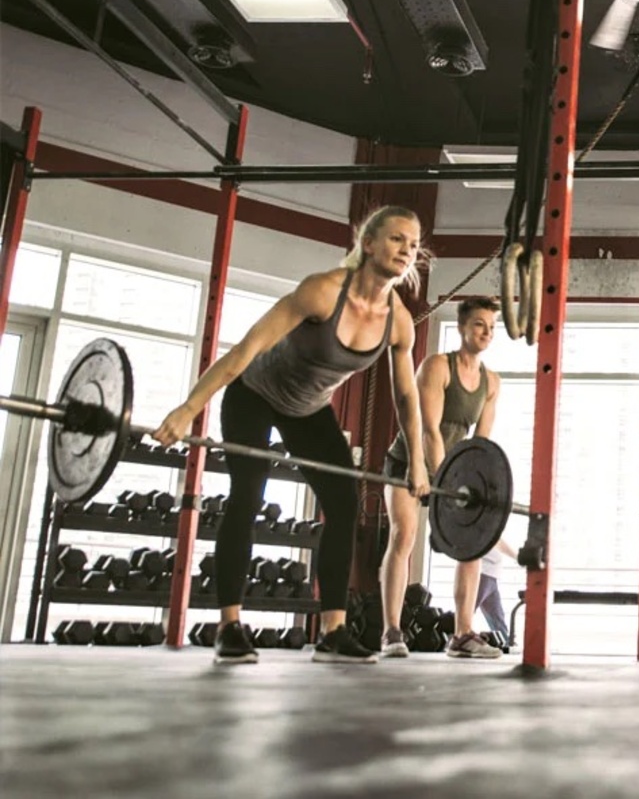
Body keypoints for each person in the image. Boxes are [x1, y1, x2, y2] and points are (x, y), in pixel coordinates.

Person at [153, 204, 431, 665]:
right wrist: (188, 409)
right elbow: (247, 349)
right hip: (254, 394)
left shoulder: (398, 321)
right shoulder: (322, 292)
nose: (408, 250)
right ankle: (230, 626)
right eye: (398, 238)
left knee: (343, 501)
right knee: (249, 491)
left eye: (415, 244)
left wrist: (418, 462)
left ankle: (333, 633)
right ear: (368, 244)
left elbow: (406, 397)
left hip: (308, 410)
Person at [378, 297, 503, 659]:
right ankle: (391, 632)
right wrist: (437, 482)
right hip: (409, 460)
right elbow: (429, 431)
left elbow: (481, 444)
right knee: (404, 537)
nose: (486, 332)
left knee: (473, 545)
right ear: (463, 327)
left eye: (492, 327)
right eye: (479, 324)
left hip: (454, 471)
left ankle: (463, 634)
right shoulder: (436, 367)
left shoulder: (491, 382)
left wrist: (473, 488)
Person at [475, 536, 519, 651]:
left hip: (491, 577)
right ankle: (453, 638)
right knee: (468, 610)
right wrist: (517, 556)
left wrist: (517, 557)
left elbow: (498, 541)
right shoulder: (484, 526)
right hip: (483, 574)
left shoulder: (493, 530)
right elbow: (498, 542)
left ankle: (506, 644)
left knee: (497, 616)